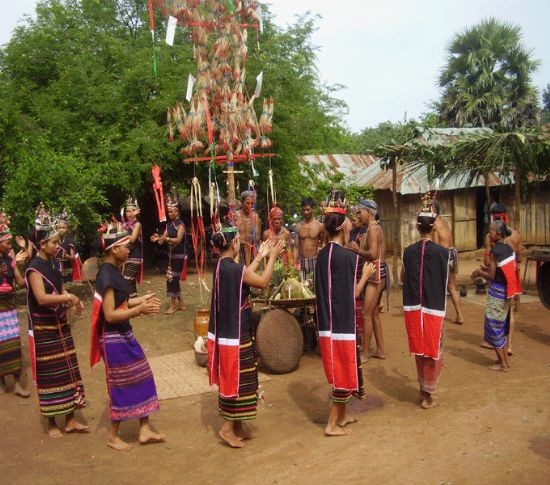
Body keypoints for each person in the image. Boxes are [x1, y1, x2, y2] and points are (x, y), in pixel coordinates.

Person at [91, 223, 165, 452]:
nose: (129, 250)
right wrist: (138, 310)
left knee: (143, 376)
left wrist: (140, 300)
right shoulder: (106, 275)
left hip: (123, 334)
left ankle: (144, 430)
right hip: (113, 339)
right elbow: (111, 314)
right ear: (114, 249)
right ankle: (113, 436)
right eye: (125, 247)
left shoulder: (114, 271)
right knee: (121, 385)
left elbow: (122, 303)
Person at [208, 226, 284, 448]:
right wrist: (272, 258)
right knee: (239, 379)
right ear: (233, 245)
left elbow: (245, 276)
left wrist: (260, 255)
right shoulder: (232, 269)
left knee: (243, 377)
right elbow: (260, 282)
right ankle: (227, 428)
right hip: (236, 333)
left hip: (232, 331)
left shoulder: (223, 266)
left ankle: (238, 426)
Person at [25, 208, 88, 438]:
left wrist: (71, 302)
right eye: (53, 242)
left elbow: (59, 290)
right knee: (50, 373)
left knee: (67, 370)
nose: (57, 245)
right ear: (42, 244)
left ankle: (70, 419)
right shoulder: (34, 268)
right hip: (44, 328)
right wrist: (68, 297)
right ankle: (51, 423)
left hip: (60, 324)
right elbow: (42, 299)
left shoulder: (53, 264)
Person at [315, 206, 375, 436]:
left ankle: (341, 416)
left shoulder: (321, 256)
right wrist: (366, 276)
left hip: (326, 323)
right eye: (348, 221)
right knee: (343, 370)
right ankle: (331, 424)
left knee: (340, 367)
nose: (352, 223)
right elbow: (353, 294)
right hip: (341, 324)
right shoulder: (348, 257)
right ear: (341, 228)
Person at [401, 205, 449, 409]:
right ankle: (428, 395)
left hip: (413, 307)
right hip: (433, 307)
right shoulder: (442, 253)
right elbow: (445, 281)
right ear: (433, 227)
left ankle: (423, 390)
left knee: (421, 348)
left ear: (417, 226)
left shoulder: (408, 252)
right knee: (433, 349)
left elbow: (403, 277)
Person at [472, 220, 521, 372]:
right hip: (507, 292)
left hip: (497, 293)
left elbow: (492, 276)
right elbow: (503, 271)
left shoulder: (495, 251)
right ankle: (504, 360)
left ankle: (503, 364)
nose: (489, 234)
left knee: (493, 328)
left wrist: (479, 272)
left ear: (498, 234)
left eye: (491, 232)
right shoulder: (508, 249)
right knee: (500, 327)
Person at [347, 198, 388, 361]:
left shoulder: (373, 229)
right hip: (379, 271)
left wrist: (357, 250)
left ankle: (365, 353)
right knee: (374, 314)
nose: (358, 215)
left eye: (360, 212)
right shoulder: (375, 228)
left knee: (366, 314)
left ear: (368, 212)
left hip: (375, 273)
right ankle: (380, 350)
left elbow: (372, 254)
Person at [481, 202, 522, 355]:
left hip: (499, 280)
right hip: (512, 276)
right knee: (510, 310)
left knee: (497, 312)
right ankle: (509, 345)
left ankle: (497, 342)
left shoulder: (490, 236)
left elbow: (487, 262)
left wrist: (483, 269)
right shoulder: (515, 234)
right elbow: (519, 258)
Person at [0, 212, 30, 398]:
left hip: (9, 306)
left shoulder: (10, 260)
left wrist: (28, 270)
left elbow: (20, 283)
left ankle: (18, 383)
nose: (9, 245)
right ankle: (1, 381)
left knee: (13, 342)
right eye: (6, 242)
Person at [151, 193, 186, 314]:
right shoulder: (169, 225)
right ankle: (180, 302)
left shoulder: (180, 224)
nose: (170, 214)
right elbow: (163, 238)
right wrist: (158, 238)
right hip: (171, 255)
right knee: (173, 278)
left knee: (171, 278)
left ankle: (173, 304)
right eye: (169, 212)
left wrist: (165, 239)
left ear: (177, 211)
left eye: (172, 212)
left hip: (179, 255)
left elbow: (178, 239)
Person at [431, 200, 464, 324]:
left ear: (433, 210)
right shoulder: (443, 221)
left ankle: (437, 315)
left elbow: (435, 244)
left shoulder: (433, 222)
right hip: (452, 253)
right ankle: (460, 315)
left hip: (443, 254)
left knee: (437, 286)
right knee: (451, 287)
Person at [294, 198, 325, 284]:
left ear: (313, 208)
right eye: (303, 210)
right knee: (302, 288)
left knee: (315, 287)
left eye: (308, 209)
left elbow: (323, 243)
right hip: (301, 261)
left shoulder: (320, 226)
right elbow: (296, 247)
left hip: (315, 261)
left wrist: (321, 259)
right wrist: (294, 263)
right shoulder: (298, 226)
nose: (305, 212)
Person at [122, 198, 143, 298]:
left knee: (126, 279)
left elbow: (133, 239)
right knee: (130, 281)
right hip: (126, 256)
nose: (128, 214)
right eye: (126, 211)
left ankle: (128, 303)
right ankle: (134, 302)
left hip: (135, 256)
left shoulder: (137, 224)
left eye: (130, 211)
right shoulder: (125, 225)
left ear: (135, 212)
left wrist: (122, 236)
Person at [54, 211, 82, 285]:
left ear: (67, 229)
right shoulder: (55, 239)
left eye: (63, 228)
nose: (61, 229)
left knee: (70, 283)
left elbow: (72, 257)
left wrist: (66, 256)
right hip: (61, 263)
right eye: (59, 228)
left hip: (72, 264)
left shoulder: (69, 240)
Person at [234, 189, 262, 266]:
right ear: (242, 202)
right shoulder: (235, 216)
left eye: (252, 203)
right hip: (237, 251)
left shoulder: (255, 217)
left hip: (251, 250)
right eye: (247, 203)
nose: (250, 205)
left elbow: (257, 237)